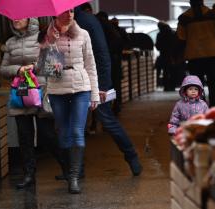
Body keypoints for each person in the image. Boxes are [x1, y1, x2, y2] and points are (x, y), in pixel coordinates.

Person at [74, 6, 143, 177]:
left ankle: (131, 155)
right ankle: (76, 169)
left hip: (94, 79)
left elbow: (102, 52)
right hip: (76, 80)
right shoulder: (64, 22)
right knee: (78, 124)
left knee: (106, 119)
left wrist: (103, 85)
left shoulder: (86, 21)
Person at [39, 8, 100, 194]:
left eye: (72, 11)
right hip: (57, 87)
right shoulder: (46, 35)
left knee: (76, 130)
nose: (69, 14)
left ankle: (74, 177)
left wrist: (95, 94)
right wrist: (48, 44)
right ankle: (67, 171)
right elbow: (41, 66)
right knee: (63, 131)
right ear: (54, 15)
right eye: (65, 11)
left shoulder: (83, 34)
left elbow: (90, 64)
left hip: (81, 87)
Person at [0, 17, 64, 189]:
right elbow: (2, 69)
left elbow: (57, 68)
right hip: (20, 94)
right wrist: (18, 70)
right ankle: (29, 175)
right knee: (25, 136)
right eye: (13, 18)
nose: (15, 20)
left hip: (41, 92)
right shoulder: (10, 42)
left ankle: (69, 167)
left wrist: (34, 67)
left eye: (20, 17)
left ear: (30, 19)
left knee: (47, 135)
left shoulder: (44, 37)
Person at [176, 0, 215, 107]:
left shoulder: (184, 18)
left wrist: (177, 55)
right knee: (214, 83)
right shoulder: (214, 15)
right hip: (213, 54)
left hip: (194, 56)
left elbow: (181, 39)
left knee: (196, 85)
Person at [155, 22, 177, 91]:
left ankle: (166, 87)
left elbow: (158, 46)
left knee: (165, 71)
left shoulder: (160, 34)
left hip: (164, 55)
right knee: (173, 71)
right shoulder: (173, 33)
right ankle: (173, 86)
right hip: (173, 55)